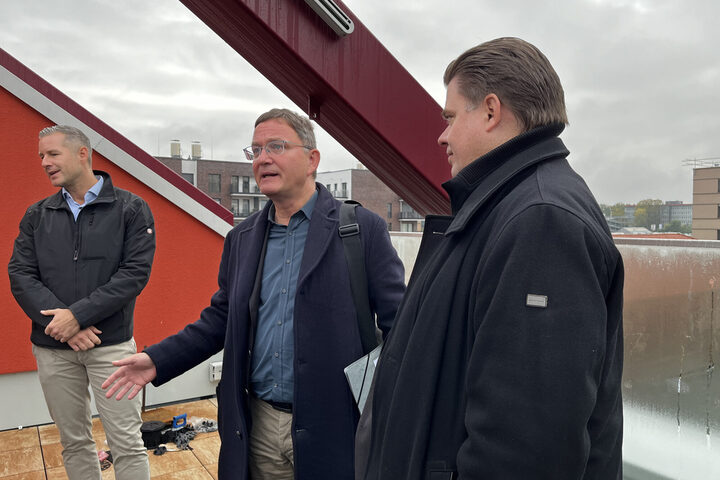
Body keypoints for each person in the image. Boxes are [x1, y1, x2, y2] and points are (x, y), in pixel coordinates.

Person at [356, 37, 624, 480]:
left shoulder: (542, 221)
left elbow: (525, 449)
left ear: (491, 111)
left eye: (449, 116)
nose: (441, 135)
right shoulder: (503, 208)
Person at [102, 108, 405, 480]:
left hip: (336, 425)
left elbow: (400, 327)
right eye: (255, 150)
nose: (263, 159)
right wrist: (157, 360)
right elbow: (221, 319)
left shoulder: (361, 230)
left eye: (276, 146)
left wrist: (396, 411)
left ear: (312, 159)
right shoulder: (242, 239)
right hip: (257, 425)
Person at [8, 125, 155, 480]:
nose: (44, 162)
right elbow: (21, 274)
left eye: (53, 154)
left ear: (82, 154)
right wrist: (62, 326)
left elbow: (133, 274)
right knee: (74, 442)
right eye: (41, 156)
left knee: (127, 443)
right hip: (53, 346)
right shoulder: (37, 214)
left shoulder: (131, 209)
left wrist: (77, 316)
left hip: (112, 348)